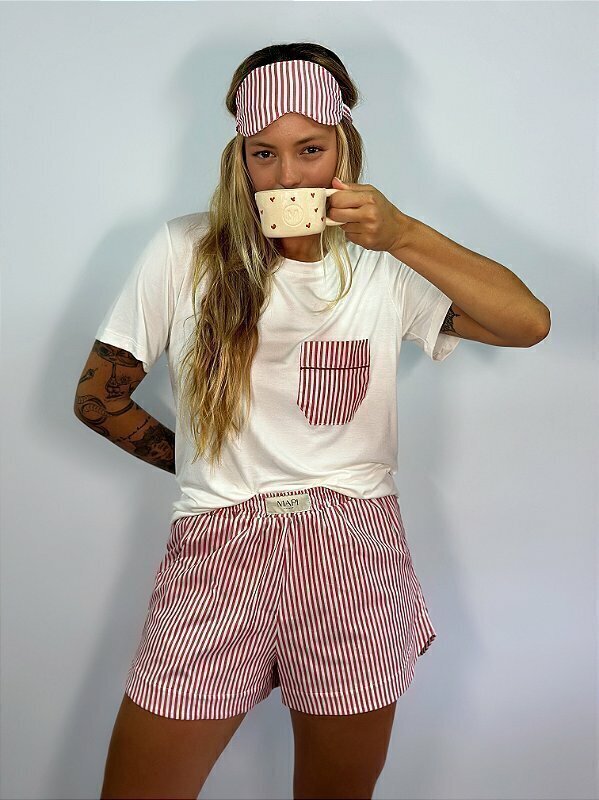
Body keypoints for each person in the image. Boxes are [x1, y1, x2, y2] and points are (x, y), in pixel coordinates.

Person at [74, 41, 550, 800]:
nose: (288, 176)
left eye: (310, 149)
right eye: (264, 153)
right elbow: (99, 398)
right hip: (216, 550)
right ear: (239, 157)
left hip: (352, 553)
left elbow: (527, 324)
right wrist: (197, 458)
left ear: (343, 147)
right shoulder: (184, 250)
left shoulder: (384, 264)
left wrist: (403, 234)